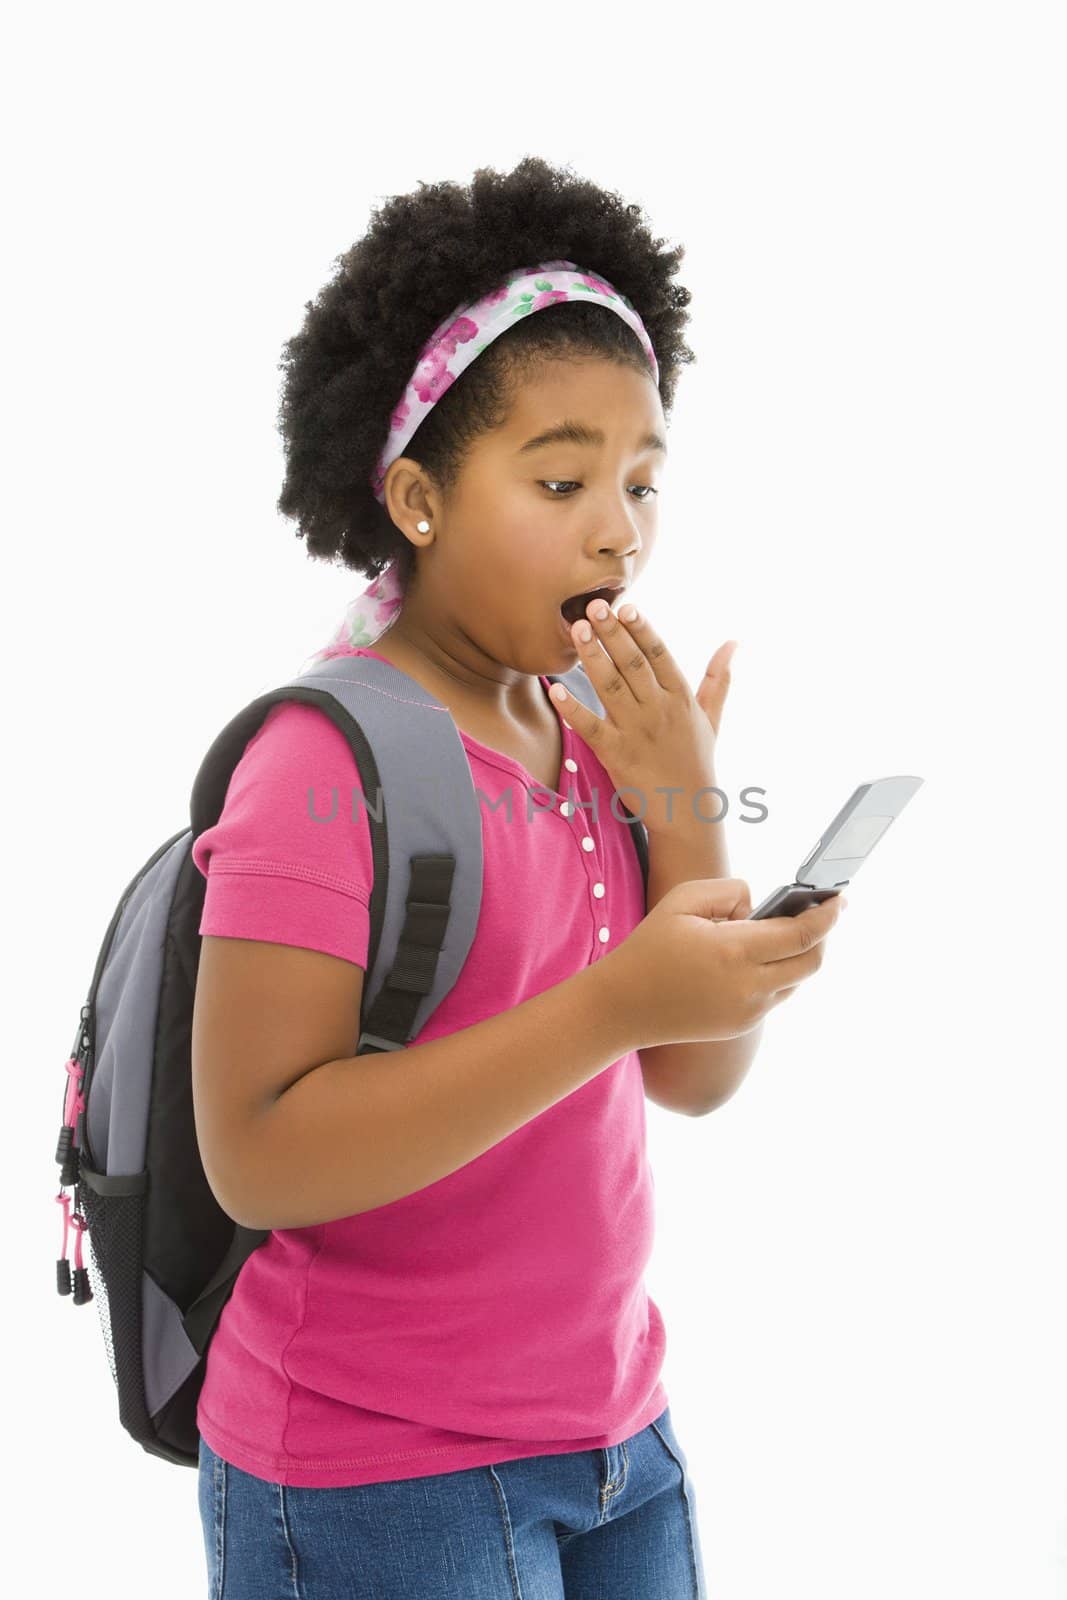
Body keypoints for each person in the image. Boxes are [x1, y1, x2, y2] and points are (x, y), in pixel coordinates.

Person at [190, 155, 845, 1599]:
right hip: (380, 1474)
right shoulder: (322, 762)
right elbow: (260, 1148)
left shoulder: (579, 730)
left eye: (641, 481)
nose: (618, 528)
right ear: (417, 497)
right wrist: (614, 1004)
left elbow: (691, 1073)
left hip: (618, 1434)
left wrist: (682, 804)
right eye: (561, 480)